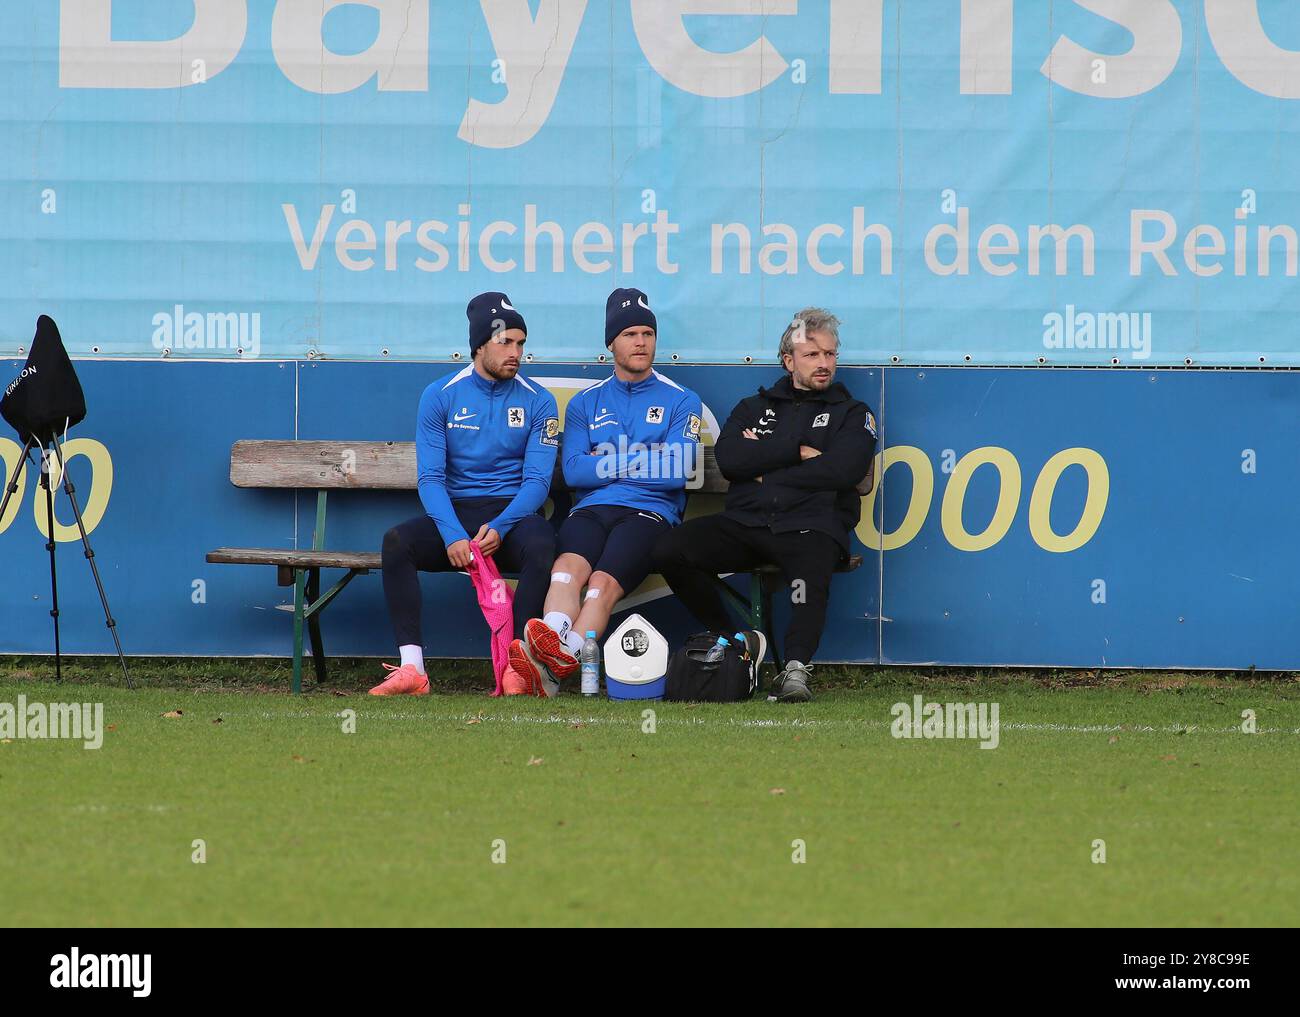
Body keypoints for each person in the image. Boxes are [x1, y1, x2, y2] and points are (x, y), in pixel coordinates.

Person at [651, 308, 877, 703]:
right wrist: (796, 451)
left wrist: (767, 470)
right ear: (789, 361)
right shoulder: (752, 407)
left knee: (811, 566)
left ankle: (795, 668)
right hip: (747, 521)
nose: (824, 363)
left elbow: (842, 471)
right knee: (670, 549)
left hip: (811, 525)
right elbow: (733, 459)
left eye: (830, 354)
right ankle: (736, 641)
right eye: (812, 355)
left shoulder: (852, 414)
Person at [508, 288, 703, 695]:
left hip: (650, 513)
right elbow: (576, 471)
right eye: (630, 334)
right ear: (611, 343)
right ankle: (558, 648)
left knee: (600, 584)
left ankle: (559, 662)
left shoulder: (681, 399)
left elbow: (677, 471)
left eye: (647, 334)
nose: (641, 342)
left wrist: (609, 461)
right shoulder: (585, 403)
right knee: (565, 571)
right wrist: (644, 456)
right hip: (593, 510)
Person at [371, 292, 560, 695]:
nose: (516, 352)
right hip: (457, 518)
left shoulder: (539, 400)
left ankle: (517, 664)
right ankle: (413, 670)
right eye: (505, 342)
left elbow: (537, 484)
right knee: (397, 543)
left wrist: (504, 525)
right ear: (479, 345)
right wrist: (452, 534)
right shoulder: (440, 395)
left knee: (543, 542)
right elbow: (431, 479)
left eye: (521, 343)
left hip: (510, 519)